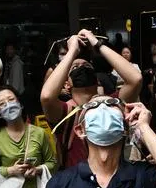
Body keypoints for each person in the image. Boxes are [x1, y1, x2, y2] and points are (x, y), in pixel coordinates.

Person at [41, 29, 143, 171]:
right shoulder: (65, 113)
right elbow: (46, 97)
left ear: (96, 78)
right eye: (75, 67)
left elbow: (135, 79)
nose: (81, 67)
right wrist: (72, 52)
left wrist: (97, 44)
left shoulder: (112, 104)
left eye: (86, 66)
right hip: (78, 186)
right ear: (66, 83)